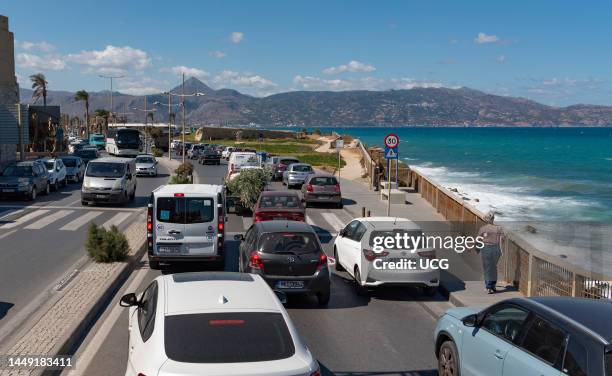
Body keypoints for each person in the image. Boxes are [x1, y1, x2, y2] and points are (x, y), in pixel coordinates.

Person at [477, 212, 503, 294]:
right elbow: (502, 240)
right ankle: (492, 285)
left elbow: (478, 239)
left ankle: (489, 286)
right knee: (493, 267)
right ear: (493, 219)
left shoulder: (483, 228)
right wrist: (501, 250)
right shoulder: (499, 228)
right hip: (496, 249)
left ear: (486, 219)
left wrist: (475, 247)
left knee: (487, 267)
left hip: (486, 248)